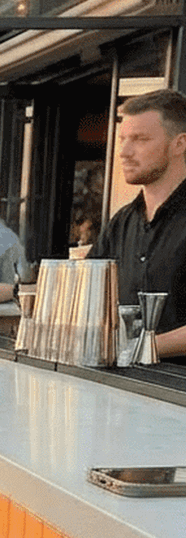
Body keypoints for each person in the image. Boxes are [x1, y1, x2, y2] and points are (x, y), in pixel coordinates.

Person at [90, 88, 186, 361]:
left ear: (179, 144)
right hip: (122, 389)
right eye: (123, 140)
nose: (124, 152)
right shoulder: (121, 222)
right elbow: (89, 294)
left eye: (140, 139)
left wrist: (138, 349)